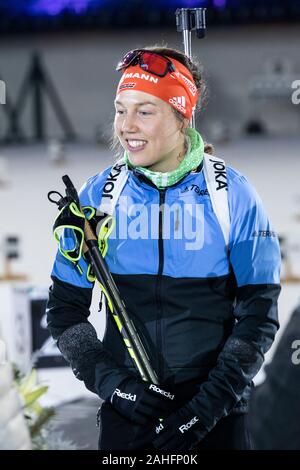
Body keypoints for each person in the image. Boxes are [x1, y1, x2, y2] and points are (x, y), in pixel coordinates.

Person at [46, 46, 281, 451]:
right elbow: (64, 313)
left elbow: (259, 316)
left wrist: (205, 408)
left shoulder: (230, 195)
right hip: (129, 420)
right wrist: (117, 388)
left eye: (145, 111)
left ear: (181, 114)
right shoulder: (99, 196)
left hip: (216, 419)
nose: (126, 126)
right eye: (121, 110)